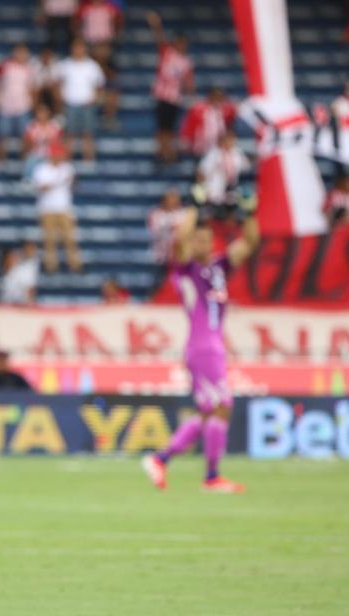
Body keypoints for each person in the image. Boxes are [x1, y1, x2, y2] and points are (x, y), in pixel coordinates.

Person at [143, 204, 260, 493]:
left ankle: (161, 460)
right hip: (203, 346)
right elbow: (180, 238)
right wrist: (197, 205)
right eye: (197, 240)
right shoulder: (186, 268)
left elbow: (250, 242)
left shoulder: (219, 267)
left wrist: (248, 211)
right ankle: (210, 476)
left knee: (210, 411)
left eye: (206, 240)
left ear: (212, 242)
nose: (201, 244)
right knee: (222, 407)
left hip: (213, 345)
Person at [147, 11, 195, 163]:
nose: (182, 46)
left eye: (184, 43)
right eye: (179, 43)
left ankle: (168, 153)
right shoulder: (167, 53)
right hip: (162, 96)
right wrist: (156, 24)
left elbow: (189, 82)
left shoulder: (186, 62)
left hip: (175, 99)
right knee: (162, 128)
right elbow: (159, 38)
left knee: (170, 129)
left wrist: (191, 96)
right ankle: (162, 152)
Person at [33, 142, 81, 273]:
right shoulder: (42, 169)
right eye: (57, 155)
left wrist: (73, 181)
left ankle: (75, 265)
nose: (59, 157)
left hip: (64, 208)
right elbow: (42, 188)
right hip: (47, 209)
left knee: (70, 238)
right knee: (49, 240)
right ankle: (51, 267)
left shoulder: (67, 168)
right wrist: (58, 181)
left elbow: (74, 187)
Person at [56, 40, 104, 161]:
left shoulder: (92, 66)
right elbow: (58, 83)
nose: (78, 50)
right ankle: (66, 161)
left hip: (87, 104)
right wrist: (60, 99)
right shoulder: (65, 65)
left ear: (85, 49)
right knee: (69, 134)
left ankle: (89, 161)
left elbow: (99, 85)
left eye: (80, 47)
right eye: (76, 47)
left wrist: (95, 98)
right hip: (70, 104)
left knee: (88, 134)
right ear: (71, 49)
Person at [0, 43, 36, 163]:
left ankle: (24, 160)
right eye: (19, 52)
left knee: (25, 136)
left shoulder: (29, 68)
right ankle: (1, 162)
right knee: (2, 135)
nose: (21, 55)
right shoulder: (5, 66)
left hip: (23, 106)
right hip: (6, 106)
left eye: (24, 53)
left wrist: (32, 101)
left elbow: (32, 87)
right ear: (14, 53)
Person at [196, 132, 249, 211]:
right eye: (228, 140)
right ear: (222, 141)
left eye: (232, 141)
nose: (230, 143)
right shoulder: (213, 153)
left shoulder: (236, 152)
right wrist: (205, 189)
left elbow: (246, 166)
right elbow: (201, 172)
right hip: (215, 189)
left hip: (232, 188)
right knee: (216, 209)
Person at [180, 88, 236, 158]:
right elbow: (188, 127)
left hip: (218, 149)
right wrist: (186, 140)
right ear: (210, 97)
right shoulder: (198, 110)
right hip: (200, 147)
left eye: (220, 98)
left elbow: (230, 125)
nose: (217, 100)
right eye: (215, 97)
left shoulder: (226, 111)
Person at [22, 103, 64, 181]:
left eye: (44, 112)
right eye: (40, 113)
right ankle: (27, 181)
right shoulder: (31, 125)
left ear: (48, 113)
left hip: (50, 155)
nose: (42, 115)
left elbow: (58, 142)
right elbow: (27, 142)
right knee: (30, 161)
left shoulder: (55, 126)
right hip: (35, 153)